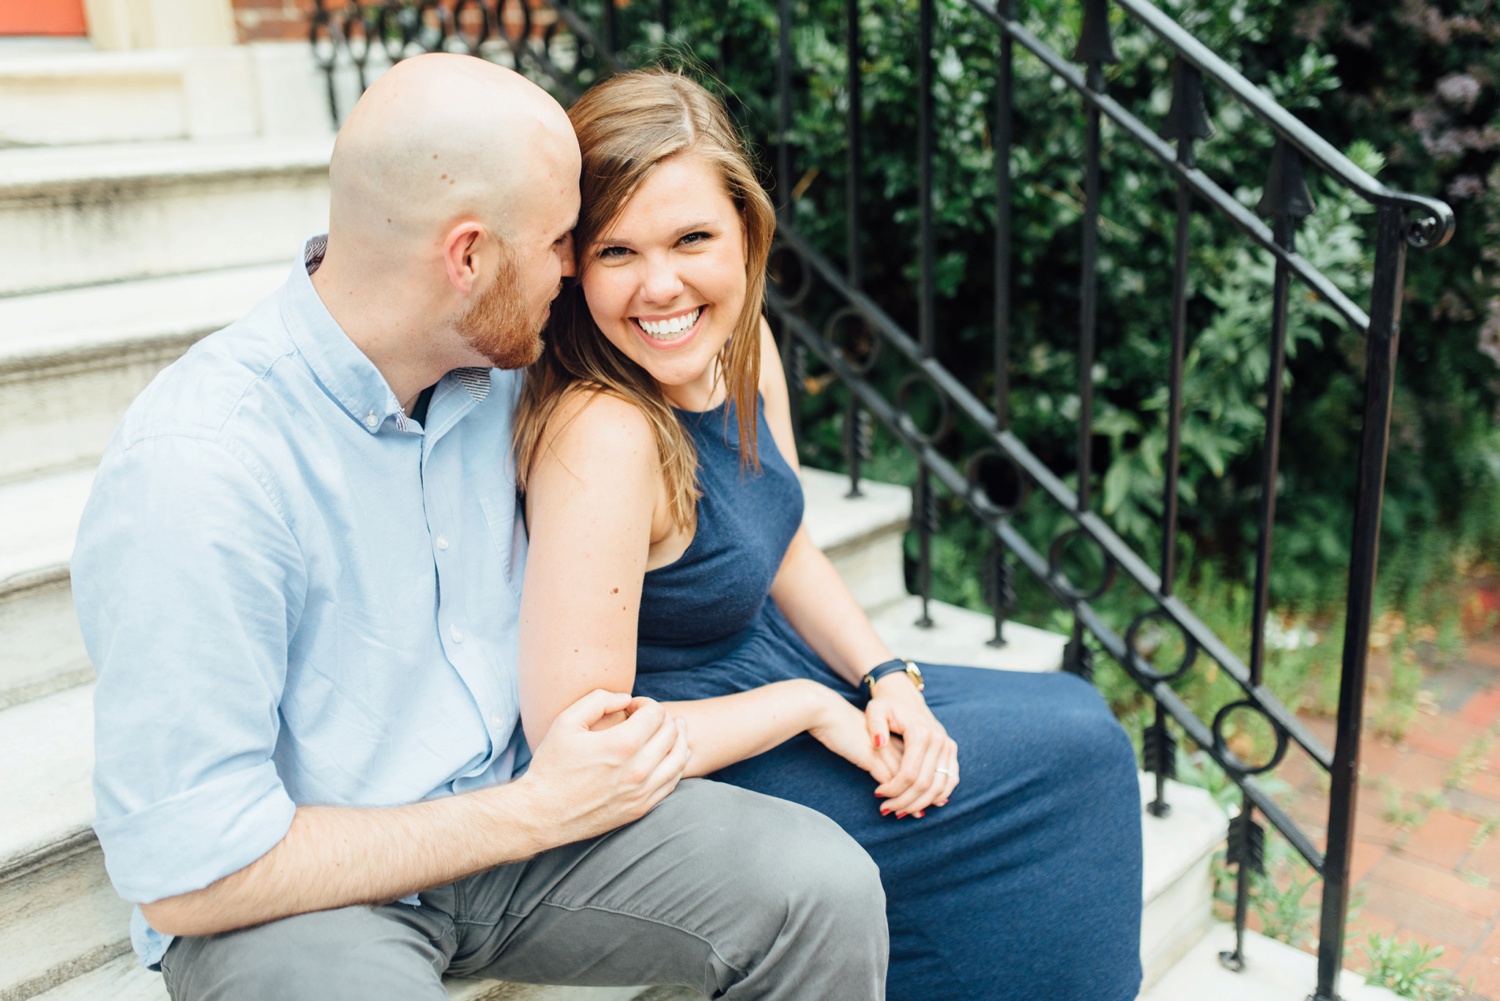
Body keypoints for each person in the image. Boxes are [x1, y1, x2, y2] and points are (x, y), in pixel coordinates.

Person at [71, 53, 889, 1001]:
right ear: (468, 257)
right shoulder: (202, 466)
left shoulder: (503, 365)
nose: (576, 270)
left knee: (815, 889)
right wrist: (530, 811)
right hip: (303, 896)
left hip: (528, 839)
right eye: (560, 243)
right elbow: (191, 868)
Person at [512, 68, 1146, 1001]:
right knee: (1069, 766)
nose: (662, 286)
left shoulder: (742, 342)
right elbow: (582, 738)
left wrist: (886, 677)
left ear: (747, 233)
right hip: (697, 763)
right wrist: (809, 708)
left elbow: (787, 545)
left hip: (773, 679)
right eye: (618, 251)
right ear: (575, 263)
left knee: (1076, 721)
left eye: (693, 238)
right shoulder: (605, 433)